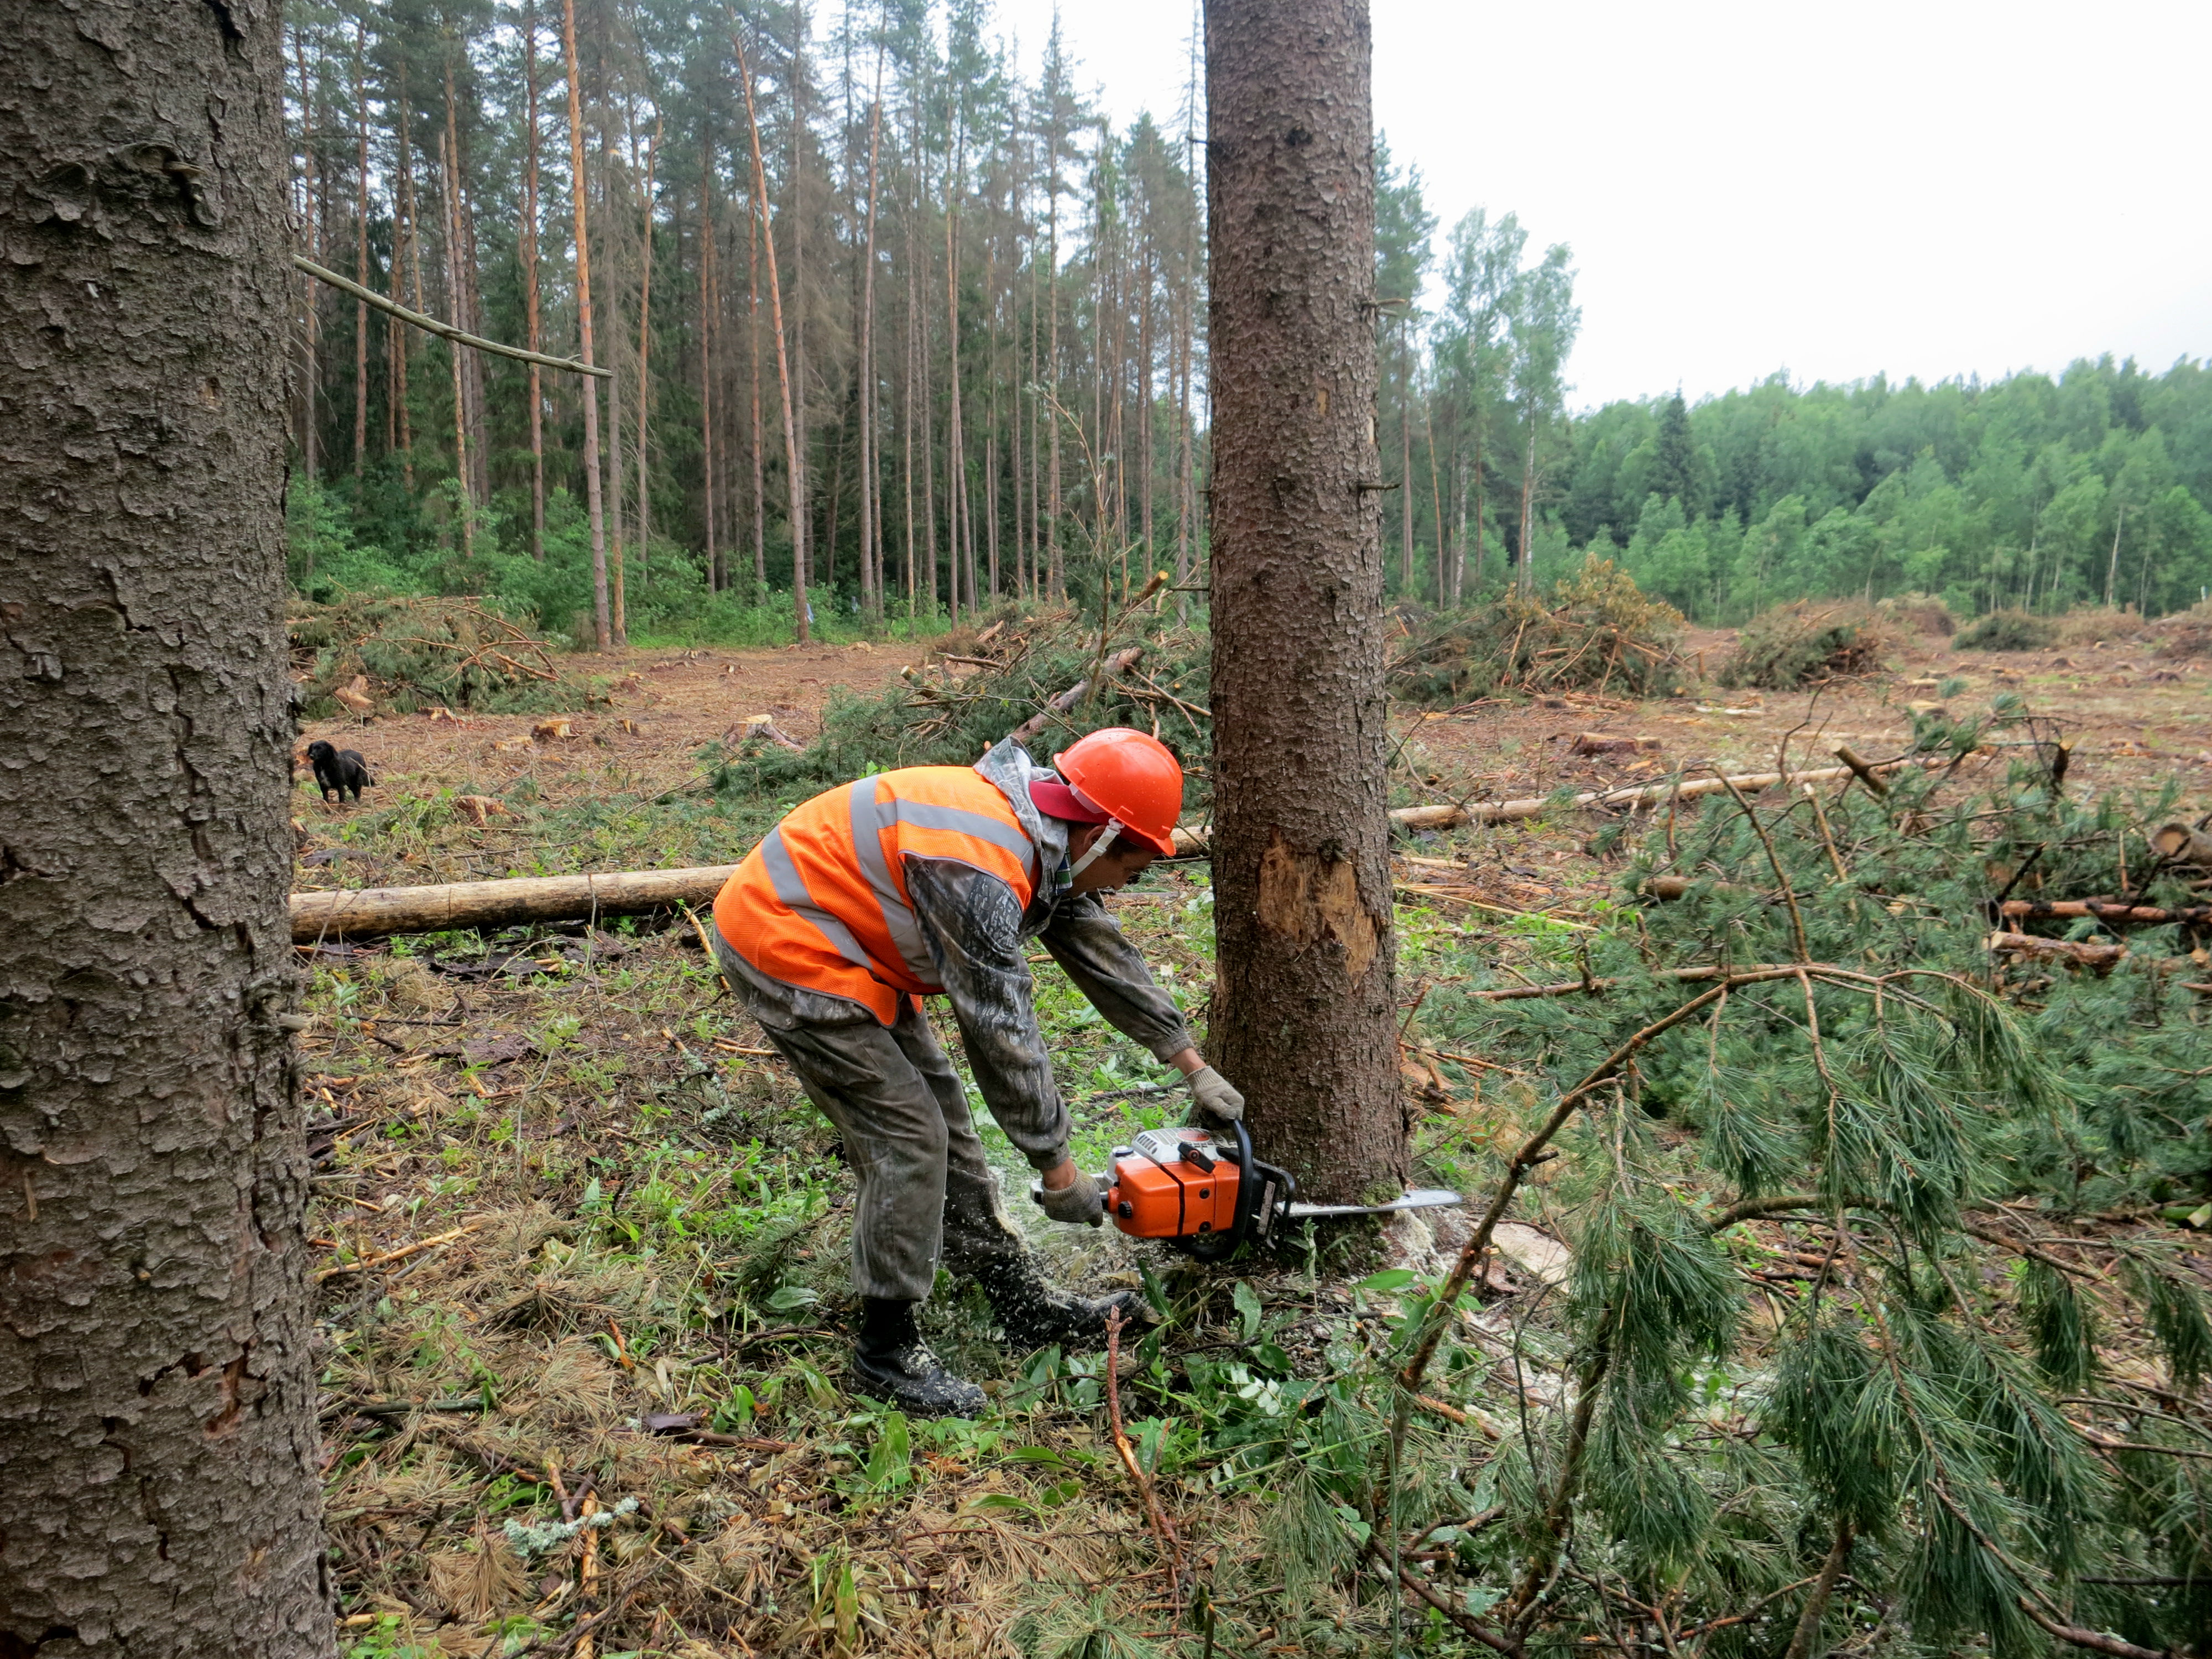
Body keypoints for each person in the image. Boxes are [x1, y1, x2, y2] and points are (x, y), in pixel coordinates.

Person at [709, 727, 1245, 1415]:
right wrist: (1057, 1170)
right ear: (1102, 837)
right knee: (908, 1136)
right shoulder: (980, 869)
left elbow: (1102, 956)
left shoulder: (1043, 841)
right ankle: (885, 1350)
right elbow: (1000, 1029)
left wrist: (1189, 1063)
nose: (1126, 885)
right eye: (1131, 869)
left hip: (855, 945)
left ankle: (1019, 1304)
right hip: (788, 944)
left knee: (951, 1130)